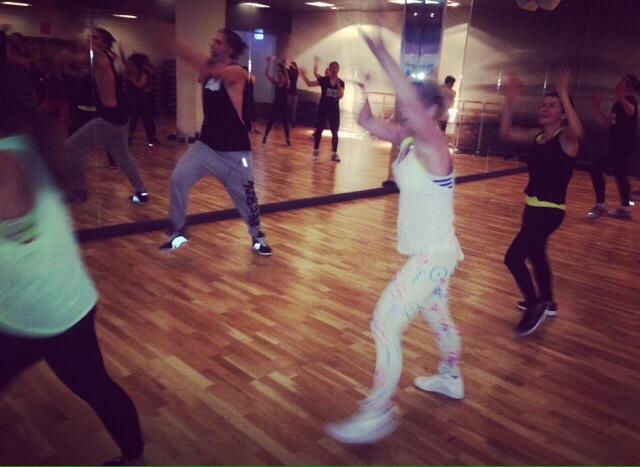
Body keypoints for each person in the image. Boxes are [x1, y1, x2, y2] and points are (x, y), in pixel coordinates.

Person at [0, 47, 145, 466]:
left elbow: (11, 208)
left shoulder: (8, 156)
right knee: (94, 384)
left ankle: (133, 455)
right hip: (51, 302)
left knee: (95, 386)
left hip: (41, 310)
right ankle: (134, 454)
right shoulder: (22, 137)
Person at [325, 27, 464, 445]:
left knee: (384, 323)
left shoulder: (435, 146)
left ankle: (378, 412)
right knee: (438, 316)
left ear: (433, 111)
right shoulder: (406, 141)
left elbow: (416, 115)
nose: (404, 108)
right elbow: (365, 121)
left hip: (433, 254)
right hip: (434, 253)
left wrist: (385, 56)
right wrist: (362, 89)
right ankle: (451, 376)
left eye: (412, 102)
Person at [159, 29, 272, 256]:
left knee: (246, 198)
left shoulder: (236, 72)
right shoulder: (210, 69)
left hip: (235, 151)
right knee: (178, 179)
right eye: (213, 41)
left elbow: (214, 71)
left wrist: (178, 47)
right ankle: (178, 231)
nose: (212, 45)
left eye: (218, 42)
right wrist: (175, 45)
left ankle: (258, 236)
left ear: (229, 48)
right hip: (206, 146)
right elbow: (203, 69)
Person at [499, 67, 584, 336]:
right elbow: (506, 133)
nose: (545, 108)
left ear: (563, 114)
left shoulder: (566, 139)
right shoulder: (537, 136)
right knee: (536, 255)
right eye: (544, 104)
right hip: (532, 207)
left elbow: (579, 132)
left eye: (552, 106)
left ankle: (535, 304)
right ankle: (548, 301)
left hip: (550, 211)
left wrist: (563, 93)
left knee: (513, 258)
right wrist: (510, 101)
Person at [63, 27, 148, 204]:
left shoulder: (102, 57)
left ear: (104, 44)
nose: (90, 41)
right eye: (89, 38)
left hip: (110, 118)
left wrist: (72, 36)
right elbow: (76, 62)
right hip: (118, 117)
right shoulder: (97, 61)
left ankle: (79, 192)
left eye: (95, 38)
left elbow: (82, 54)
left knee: (73, 146)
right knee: (122, 155)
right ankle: (141, 192)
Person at [586, 73, 639, 220]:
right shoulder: (617, 104)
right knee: (621, 175)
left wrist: (621, 97)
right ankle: (626, 209)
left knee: (595, 169)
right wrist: (596, 107)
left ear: (628, 87)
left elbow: (631, 111)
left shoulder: (630, 101)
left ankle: (600, 205)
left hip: (624, 147)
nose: (617, 85)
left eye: (621, 83)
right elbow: (604, 122)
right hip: (618, 146)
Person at [300, 57, 345, 162]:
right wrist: (303, 75)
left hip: (334, 110)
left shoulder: (341, 82)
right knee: (319, 130)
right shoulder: (324, 80)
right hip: (323, 109)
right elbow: (310, 84)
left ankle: (334, 154)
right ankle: (316, 151)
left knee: (335, 132)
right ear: (330, 69)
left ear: (338, 69)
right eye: (332, 67)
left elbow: (341, 96)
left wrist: (338, 86)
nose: (334, 69)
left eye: (336, 67)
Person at [125, 52, 159, 153]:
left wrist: (131, 79)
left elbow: (140, 85)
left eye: (131, 64)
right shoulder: (128, 73)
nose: (129, 65)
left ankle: (151, 144)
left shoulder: (143, 74)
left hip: (144, 102)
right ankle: (128, 142)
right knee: (132, 122)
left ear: (136, 65)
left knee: (147, 123)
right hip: (133, 102)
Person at [262, 56, 291, 146]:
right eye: (278, 75)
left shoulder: (287, 84)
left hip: (284, 105)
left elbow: (287, 76)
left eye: (280, 75)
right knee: (271, 121)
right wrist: (269, 63)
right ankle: (265, 136)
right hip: (276, 104)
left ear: (283, 76)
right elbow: (266, 74)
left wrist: (284, 66)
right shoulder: (276, 83)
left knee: (285, 123)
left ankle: (287, 139)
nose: (279, 77)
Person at [286, 60, 299, 128]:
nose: (290, 66)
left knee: (293, 109)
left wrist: (290, 64)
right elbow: (283, 68)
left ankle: (293, 122)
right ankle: (286, 121)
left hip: (293, 93)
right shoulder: (289, 72)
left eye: (292, 65)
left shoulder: (296, 73)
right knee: (287, 108)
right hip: (289, 93)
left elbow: (295, 71)